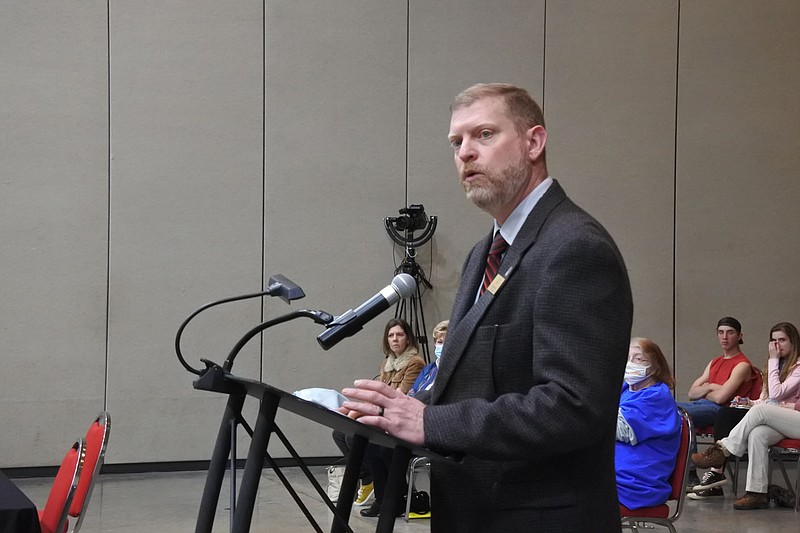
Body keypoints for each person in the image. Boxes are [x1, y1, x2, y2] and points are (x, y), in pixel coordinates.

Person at [340, 83, 633, 532]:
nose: (465, 153)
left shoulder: (573, 248)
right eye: (456, 142)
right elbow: (468, 380)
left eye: (484, 135)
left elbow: (573, 408)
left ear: (534, 142)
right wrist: (396, 409)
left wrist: (431, 422)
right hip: (474, 512)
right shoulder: (484, 252)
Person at [692, 322, 800, 510]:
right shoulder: (774, 366)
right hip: (784, 420)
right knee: (757, 434)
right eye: (773, 341)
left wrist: (773, 361)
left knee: (759, 413)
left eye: (782, 340)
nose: (777, 345)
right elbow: (766, 400)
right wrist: (749, 403)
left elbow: (776, 394)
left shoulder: (798, 366)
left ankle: (722, 450)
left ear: (794, 343)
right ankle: (757, 493)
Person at [332, 318, 424, 509]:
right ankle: (368, 477)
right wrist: (354, 408)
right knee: (339, 433)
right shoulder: (387, 363)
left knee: (355, 437)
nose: (395, 339)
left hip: (397, 417)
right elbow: (377, 395)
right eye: (391, 336)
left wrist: (357, 412)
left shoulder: (415, 362)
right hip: (383, 413)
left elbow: (399, 398)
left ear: (408, 338)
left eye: (399, 335)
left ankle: (376, 487)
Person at [678, 317, 757, 498]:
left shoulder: (742, 364)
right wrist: (712, 387)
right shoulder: (714, 362)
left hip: (722, 411)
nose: (725, 337)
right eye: (721, 332)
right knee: (670, 409)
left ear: (739, 336)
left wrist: (707, 389)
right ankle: (685, 472)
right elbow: (691, 392)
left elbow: (722, 397)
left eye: (730, 332)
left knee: (682, 414)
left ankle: (690, 474)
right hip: (703, 405)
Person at [616, 338, 682, 510]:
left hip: (636, 484)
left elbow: (620, 429)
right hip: (616, 474)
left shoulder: (656, 396)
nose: (630, 364)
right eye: (628, 358)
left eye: (638, 359)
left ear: (654, 367)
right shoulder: (627, 388)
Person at [407, 320, 448, 398]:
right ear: (435, 344)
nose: (443, 346)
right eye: (440, 342)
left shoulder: (457, 370)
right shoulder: (429, 368)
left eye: (446, 342)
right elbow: (412, 392)